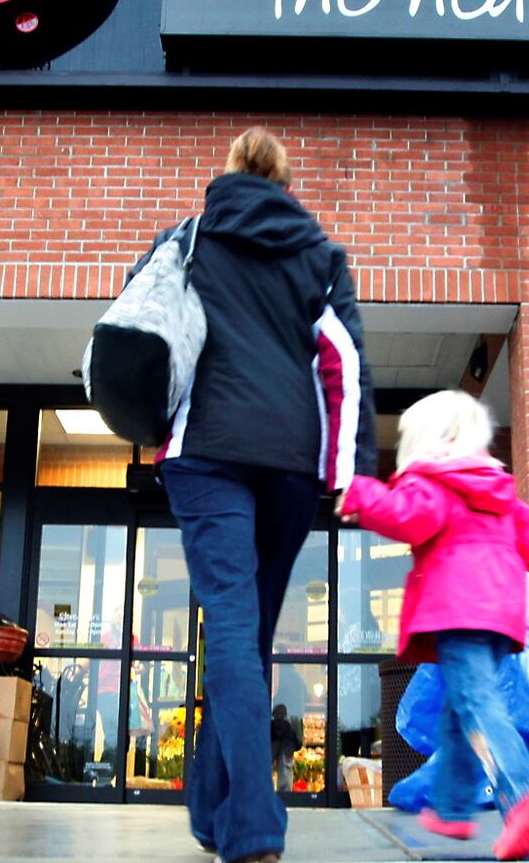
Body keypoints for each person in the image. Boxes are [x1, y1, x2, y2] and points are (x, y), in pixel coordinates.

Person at [138, 126, 377, 863]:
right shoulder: (319, 254)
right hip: (289, 464)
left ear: (231, 171)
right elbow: (344, 361)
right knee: (248, 638)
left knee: (234, 633)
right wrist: (350, 470)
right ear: (284, 181)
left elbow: (140, 321)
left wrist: (143, 418)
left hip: (207, 450)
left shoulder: (188, 239)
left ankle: (252, 828)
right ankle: (215, 810)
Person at [338, 391, 529, 862]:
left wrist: (362, 494)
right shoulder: (501, 493)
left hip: (457, 610)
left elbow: (407, 517)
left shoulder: (435, 483)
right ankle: (451, 809)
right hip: (501, 618)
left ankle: (523, 785)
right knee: (456, 712)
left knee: (474, 704)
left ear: (430, 439)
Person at [269, 704, 299, 793]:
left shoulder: (287, 729)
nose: (279, 717)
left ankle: (283, 793)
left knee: (283, 768)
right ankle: (284, 794)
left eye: (281, 714)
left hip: (283, 746)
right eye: (278, 714)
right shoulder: (288, 728)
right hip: (284, 746)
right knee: (285, 769)